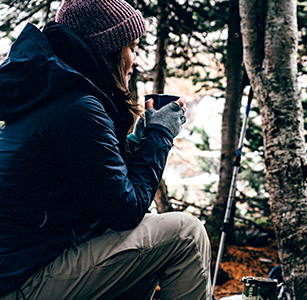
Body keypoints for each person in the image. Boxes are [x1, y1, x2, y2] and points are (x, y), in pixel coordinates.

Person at [0, 0, 212, 299]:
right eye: (132, 47)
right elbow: (124, 211)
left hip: (20, 269)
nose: (135, 61)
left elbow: (103, 193)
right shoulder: (79, 107)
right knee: (185, 234)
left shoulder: (53, 96)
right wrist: (160, 135)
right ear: (108, 48)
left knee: (148, 234)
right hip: (22, 282)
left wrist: (139, 141)